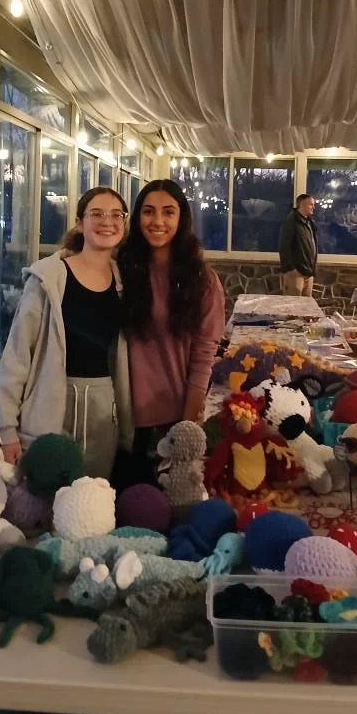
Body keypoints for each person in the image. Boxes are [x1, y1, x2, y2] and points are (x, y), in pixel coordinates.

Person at [0, 187, 134, 477]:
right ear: (79, 223)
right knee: (44, 495)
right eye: (96, 214)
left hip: (103, 413)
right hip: (49, 404)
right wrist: (7, 428)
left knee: (92, 497)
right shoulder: (48, 280)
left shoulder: (124, 283)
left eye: (116, 214)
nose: (107, 221)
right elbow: (17, 355)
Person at [116, 179, 225, 485]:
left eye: (168, 212)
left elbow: (204, 356)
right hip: (117, 417)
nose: (158, 221)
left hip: (170, 420)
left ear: (181, 218)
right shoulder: (121, 269)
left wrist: (186, 426)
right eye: (148, 211)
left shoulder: (201, 280)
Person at [279, 194, 317, 296]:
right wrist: (291, 269)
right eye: (311, 204)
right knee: (292, 304)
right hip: (295, 274)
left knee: (306, 305)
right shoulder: (291, 221)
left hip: (308, 273)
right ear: (302, 205)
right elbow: (284, 246)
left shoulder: (309, 223)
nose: (314, 207)